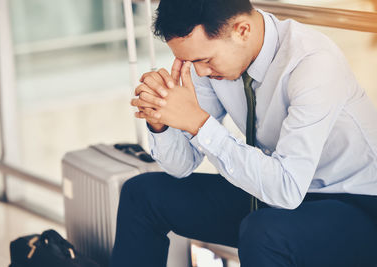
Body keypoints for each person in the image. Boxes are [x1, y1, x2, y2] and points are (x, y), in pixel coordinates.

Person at [110, 0, 377, 266]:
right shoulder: (212, 64)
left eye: (205, 60)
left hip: (359, 204)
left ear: (242, 31)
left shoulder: (313, 63)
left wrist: (199, 124)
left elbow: (287, 190)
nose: (200, 72)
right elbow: (182, 166)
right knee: (142, 193)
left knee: (264, 231)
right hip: (278, 191)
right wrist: (161, 120)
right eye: (190, 61)